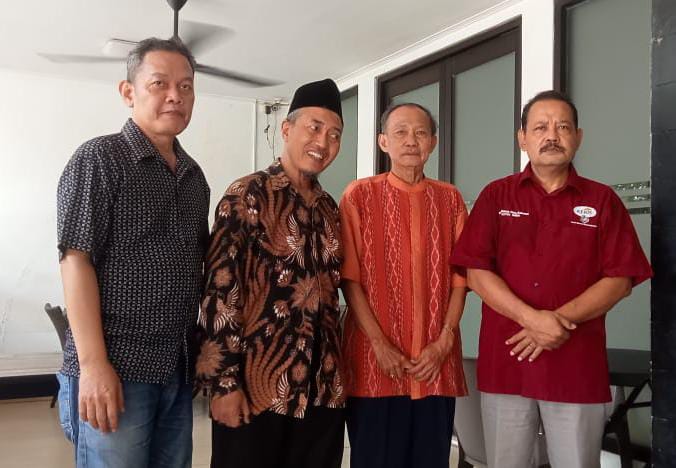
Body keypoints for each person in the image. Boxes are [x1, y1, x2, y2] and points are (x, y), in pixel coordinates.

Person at [451, 90, 652, 468]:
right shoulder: (496, 195)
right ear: (522, 138)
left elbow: (621, 279)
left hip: (575, 366)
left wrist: (556, 321)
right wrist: (533, 319)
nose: (552, 136)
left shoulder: (602, 200)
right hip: (508, 363)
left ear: (578, 137)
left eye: (563, 127)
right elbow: (476, 273)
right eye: (540, 127)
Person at [56, 37, 210, 468]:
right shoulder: (99, 158)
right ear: (128, 92)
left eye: (186, 86)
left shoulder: (194, 177)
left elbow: (198, 266)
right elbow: (75, 259)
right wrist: (93, 366)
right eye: (160, 83)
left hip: (176, 366)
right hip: (117, 366)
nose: (175, 95)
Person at [195, 78, 346, 468]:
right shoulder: (248, 194)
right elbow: (220, 291)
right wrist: (223, 384)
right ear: (287, 129)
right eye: (314, 127)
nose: (323, 142)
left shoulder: (330, 209)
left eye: (334, 135)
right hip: (257, 389)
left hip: (321, 390)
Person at [340, 102, 468, 468]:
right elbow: (349, 278)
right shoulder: (359, 195)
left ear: (433, 143)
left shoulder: (450, 198)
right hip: (375, 364)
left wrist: (444, 341)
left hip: (435, 365)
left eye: (421, 132)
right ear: (383, 141)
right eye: (400, 132)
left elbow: (462, 278)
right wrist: (379, 344)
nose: (411, 140)